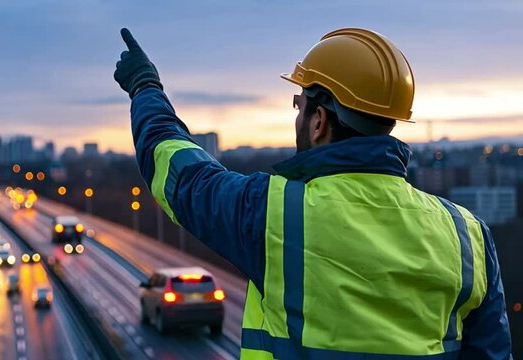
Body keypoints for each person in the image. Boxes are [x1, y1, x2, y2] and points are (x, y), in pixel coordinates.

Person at [114, 27, 512, 359]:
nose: (298, 116)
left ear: (319, 120)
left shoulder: (273, 213)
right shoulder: (469, 236)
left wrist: (145, 87)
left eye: (298, 105)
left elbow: (179, 172)